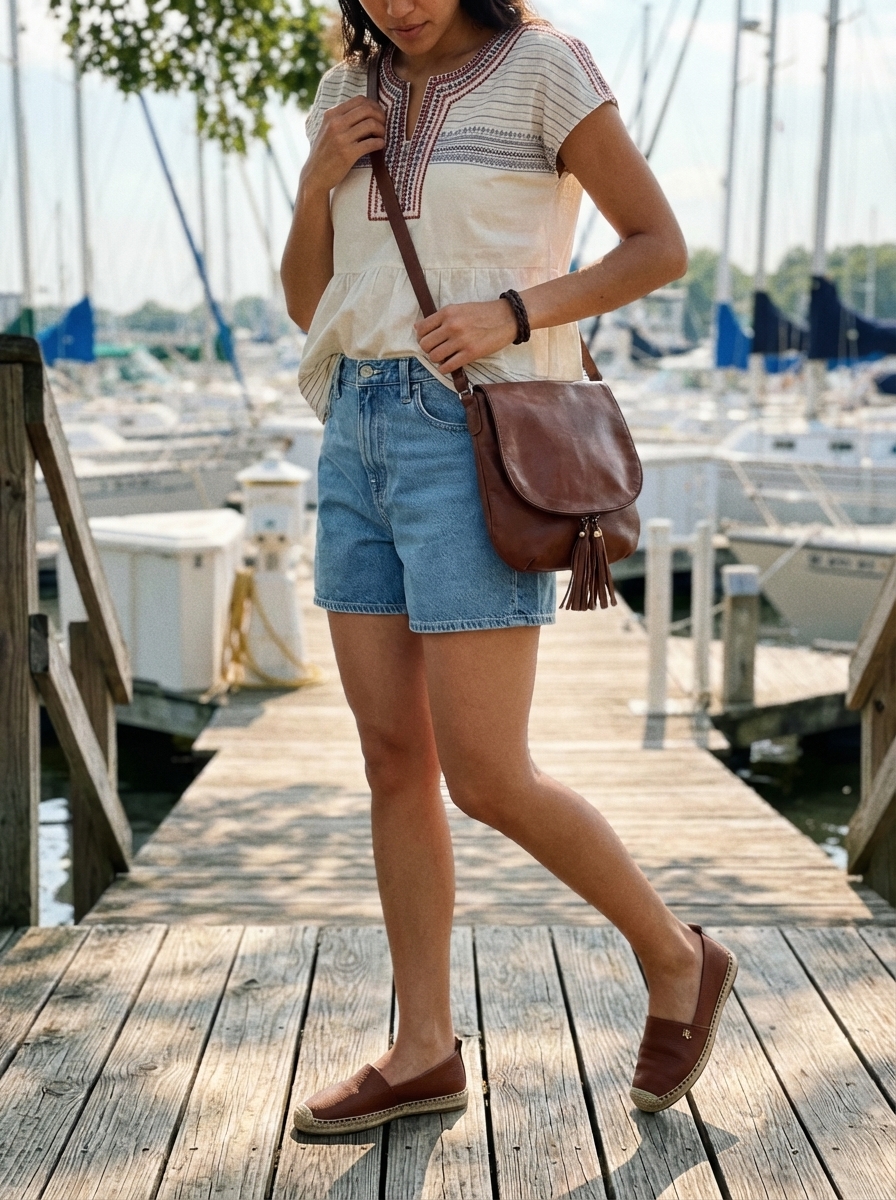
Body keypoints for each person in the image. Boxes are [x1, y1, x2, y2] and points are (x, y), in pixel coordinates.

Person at [281, 0, 736, 1135]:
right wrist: (314, 182)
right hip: (353, 431)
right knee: (393, 759)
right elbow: (309, 306)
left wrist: (514, 312)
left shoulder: (542, 66)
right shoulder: (346, 90)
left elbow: (657, 244)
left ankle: (676, 956)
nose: (398, 3)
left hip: (468, 430)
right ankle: (424, 1048)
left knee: (485, 775)